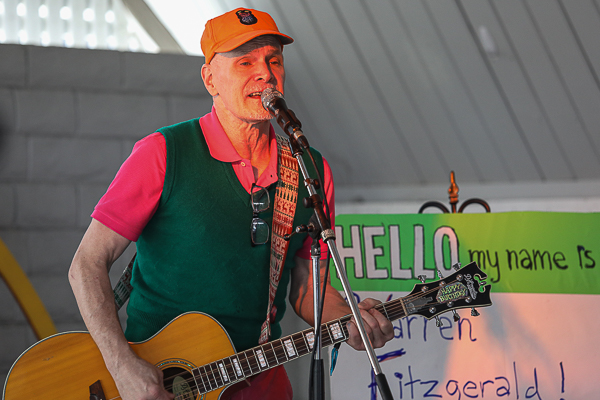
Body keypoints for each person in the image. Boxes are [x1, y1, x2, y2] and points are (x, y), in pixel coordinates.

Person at [69, 7, 394, 400]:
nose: (266, 74)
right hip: (163, 385)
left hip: (262, 385)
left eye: (274, 60)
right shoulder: (163, 152)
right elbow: (86, 264)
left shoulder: (309, 169)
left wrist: (350, 320)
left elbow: (310, 288)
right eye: (245, 62)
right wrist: (121, 366)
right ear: (210, 79)